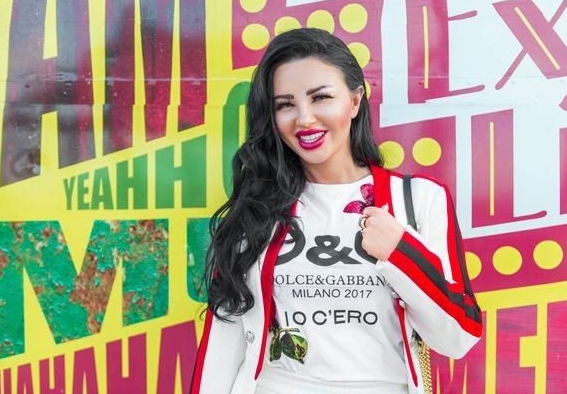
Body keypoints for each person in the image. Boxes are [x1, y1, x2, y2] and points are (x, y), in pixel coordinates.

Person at [191, 28, 482, 394]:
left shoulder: (419, 200)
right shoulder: (257, 209)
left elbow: (459, 336)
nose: (305, 118)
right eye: (285, 104)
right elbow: (223, 342)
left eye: (321, 97)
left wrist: (400, 250)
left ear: (355, 101)